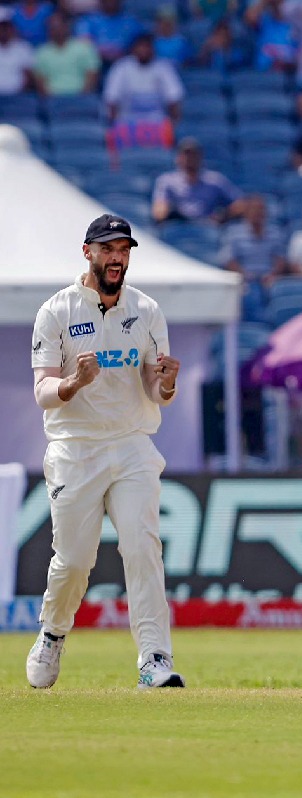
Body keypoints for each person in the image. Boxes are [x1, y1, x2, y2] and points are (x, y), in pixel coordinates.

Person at [26, 215, 183, 690]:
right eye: (108, 249)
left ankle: (155, 658)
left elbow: (156, 390)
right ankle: (52, 634)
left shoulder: (146, 309)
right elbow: (42, 390)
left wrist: (168, 382)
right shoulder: (57, 310)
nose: (117, 258)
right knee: (74, 561)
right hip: (76, 450)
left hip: (133, 444)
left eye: (124, 249)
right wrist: (74, 382)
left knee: (142, 547)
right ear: (87, 252)